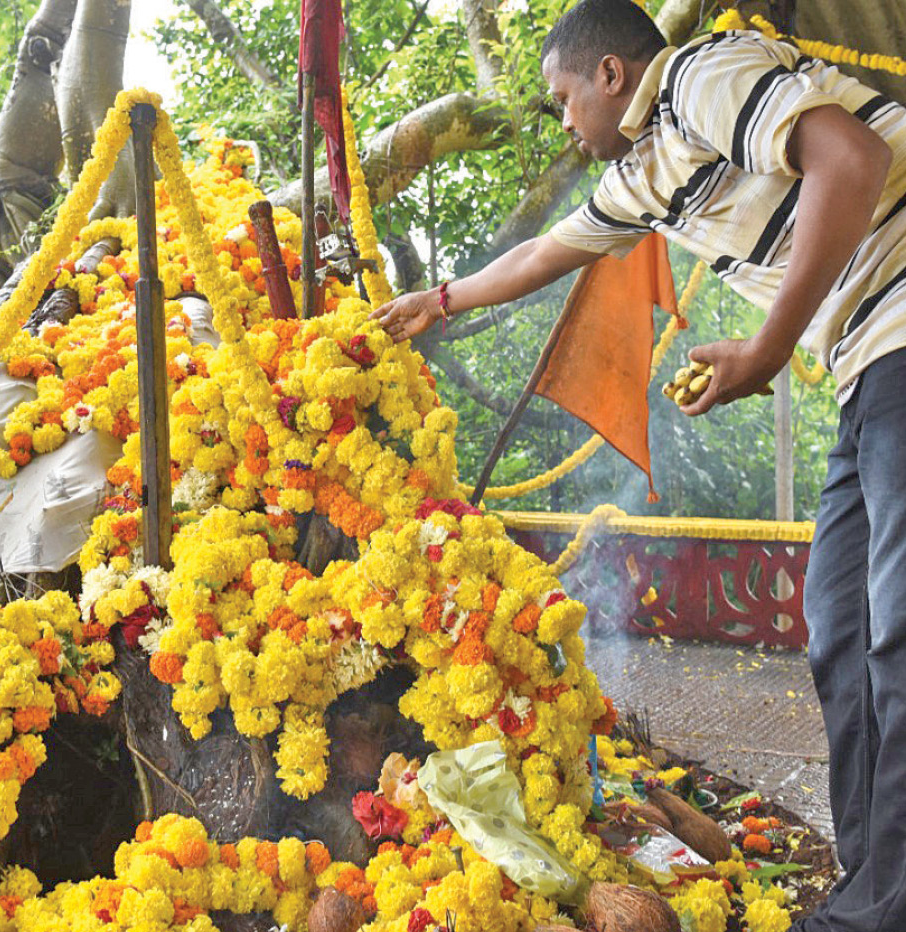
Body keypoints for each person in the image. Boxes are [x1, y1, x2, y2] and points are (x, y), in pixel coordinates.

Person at [371, 3, 906, 930]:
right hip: (867, 367)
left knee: (894, 630)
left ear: (612, 74)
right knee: (838, 626)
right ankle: (872, 889)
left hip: (898, 330)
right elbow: (548, 250)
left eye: (563, 98)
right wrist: (440, 298)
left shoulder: (704, 75)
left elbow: (852, 161)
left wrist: (771, 349)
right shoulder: (645, 174)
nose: (564, 123)